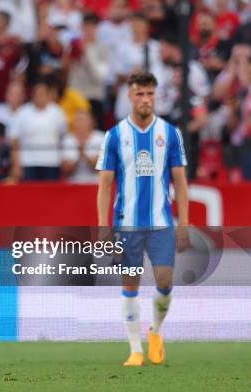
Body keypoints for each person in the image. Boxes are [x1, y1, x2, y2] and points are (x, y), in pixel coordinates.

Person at [96, 72, 190, 367]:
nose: (145, 99)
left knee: (165, 280)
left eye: (150, 94)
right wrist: (103, 227)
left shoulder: (170, 133)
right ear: (130, 96)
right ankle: (135, 349)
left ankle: (156, 331)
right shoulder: (114, 136)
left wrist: (184, 223)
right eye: (140, 94)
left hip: (161, 221)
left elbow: (181, 182)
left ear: (156, 96)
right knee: (130, 283)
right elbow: (105, 185)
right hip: (127, 223)